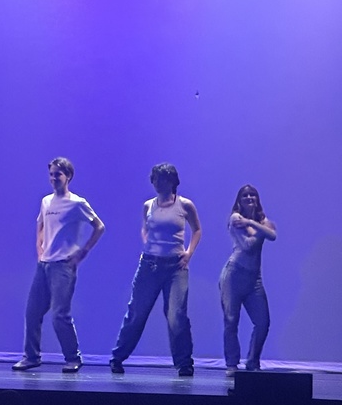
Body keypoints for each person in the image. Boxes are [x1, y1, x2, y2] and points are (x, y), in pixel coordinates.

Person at [13, 157, 105, 374]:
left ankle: (73, 357)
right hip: (44, 266)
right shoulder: (46, 201)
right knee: (32, 313)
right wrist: (39, 247)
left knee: (59, 315)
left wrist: (82, 252)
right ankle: (32, 357)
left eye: (58, 174)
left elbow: (99, 227)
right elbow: (41, 224)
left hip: (63, 266)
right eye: (52, 174)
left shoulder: (77, 203)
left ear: (68, 177)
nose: (54, 178)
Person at [109, 163, 202, 377]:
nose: (158, 183)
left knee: (176, 315)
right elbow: (145, 227)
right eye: (155, 179)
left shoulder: (185, 205)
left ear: (172, 181)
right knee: (136, 312)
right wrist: (147, 243)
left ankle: (184, 363)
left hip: (175, 267)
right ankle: (117, 357)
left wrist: (188, 253)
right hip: (149, 265)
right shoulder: (148, 205)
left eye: (162, 179)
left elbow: (197, 230)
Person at [221, 184, 277, 375]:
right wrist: (259, 229)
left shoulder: (261, 221)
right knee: (231, 321)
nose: (249, 198)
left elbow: (273, 235)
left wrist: (252, 224)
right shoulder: (235, 218)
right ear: (239, 200)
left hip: (254, 280)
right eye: (245, 195)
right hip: (234, 275)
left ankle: (253, 361)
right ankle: (231, 364)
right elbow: (248, 246)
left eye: (253, 195)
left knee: (263, 322)